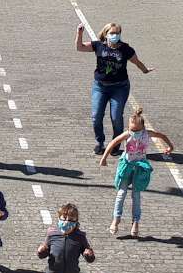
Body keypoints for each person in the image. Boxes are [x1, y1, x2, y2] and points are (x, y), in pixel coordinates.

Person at [74, 22, 154, 155]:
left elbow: (137, 62)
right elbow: (80, 47)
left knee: (116, 117)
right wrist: (79, 33)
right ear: (106, 34)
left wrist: (145, 70)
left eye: (117, 33)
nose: (114, 36)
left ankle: (115, 146)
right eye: (112, 33)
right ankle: (100, 142)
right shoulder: (98, 46)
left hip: (120, 88)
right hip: (100, 87)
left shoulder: (125, 49)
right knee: (96, 117)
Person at [98, 106, 174, 238]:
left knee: (136, 195)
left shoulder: (147, 133)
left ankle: (135, 221)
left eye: (136, 130)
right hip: (127, 165)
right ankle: (116, 219)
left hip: (140, 167)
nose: (133, 132)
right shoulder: (127, 134)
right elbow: (113, 142)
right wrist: (104, 157)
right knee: (121, 193)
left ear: (143, 128)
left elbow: (162, 135)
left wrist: (170, 146)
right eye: (131, 129)